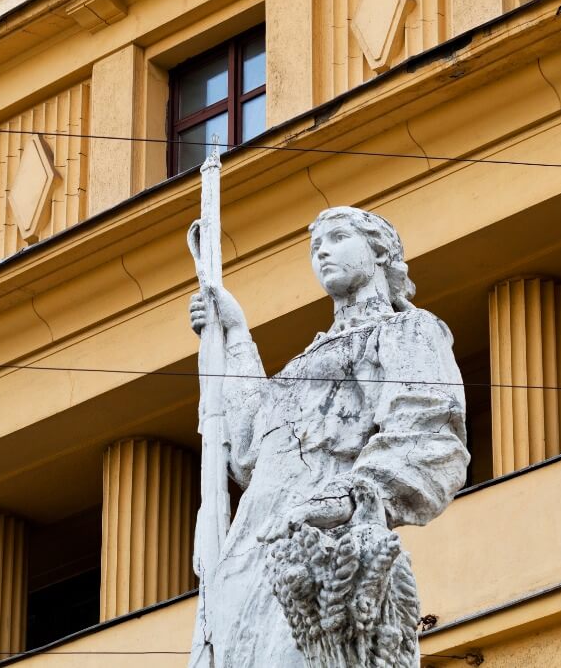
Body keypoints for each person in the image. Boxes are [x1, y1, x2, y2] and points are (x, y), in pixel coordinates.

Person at [187, 206, 469, 666]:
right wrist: (234, 335)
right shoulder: (301, 364)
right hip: (253, 546)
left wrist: (350, 496)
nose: (322, 252)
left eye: (338, 238)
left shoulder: (405, 330)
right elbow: (249, 451)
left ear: (381, 251)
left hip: (326, 543)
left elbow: (427, 434)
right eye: (316, 245)